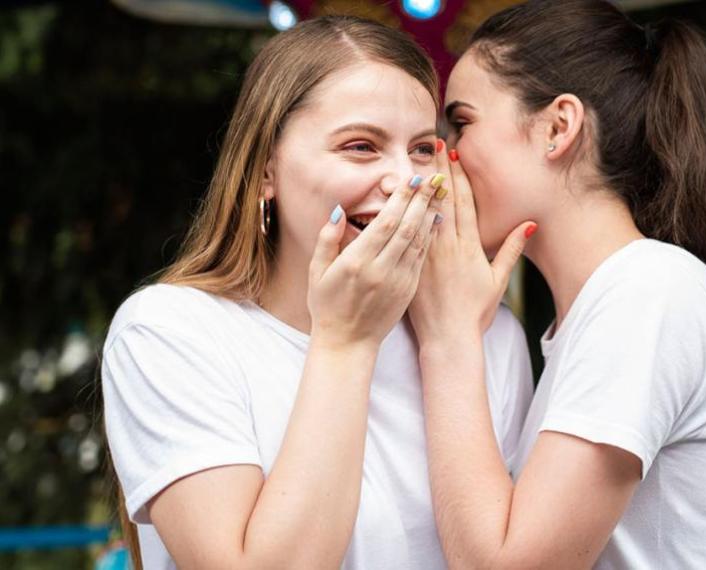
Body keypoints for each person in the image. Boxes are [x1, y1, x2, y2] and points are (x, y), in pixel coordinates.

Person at [100, 16, 533, 570]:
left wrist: (452, 343)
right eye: (360, 146)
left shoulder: (487, 337)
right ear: (264, 171)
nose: (406, 179)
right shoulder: (170, 332)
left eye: (423, 149)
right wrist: (347, 340)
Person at [408, 0, 706, 568]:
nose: (444, 156)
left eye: (461, 123)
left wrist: (447, 338)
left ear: (558, 127)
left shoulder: (644, 291)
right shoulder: (615, 301)